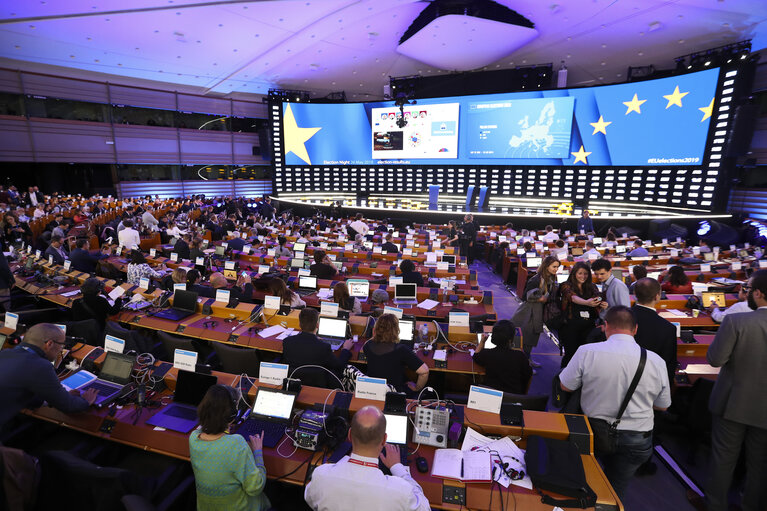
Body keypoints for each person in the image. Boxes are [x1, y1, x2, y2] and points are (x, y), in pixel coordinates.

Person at [560, 306, 671, 499]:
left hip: (593, 431)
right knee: (615, 489)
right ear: (635, 329)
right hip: (637, 438)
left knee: (581, 479)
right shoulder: (656, 361)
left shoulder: (587, 351)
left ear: (605, 326)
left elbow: (566, 386)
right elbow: (662, 406)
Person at [705, 270, 767, 511]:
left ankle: (715, 506)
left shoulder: (737, 321)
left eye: (750, 290)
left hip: (732, 403)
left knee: (723, 459)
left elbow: (715, 360)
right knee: (759, 465)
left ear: (759, 293)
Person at [305, 405, 430, 511]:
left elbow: (310, 498)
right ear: (384, 439)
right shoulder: (401, 491)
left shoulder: (321, 475)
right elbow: (425, 508)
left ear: (349, 435)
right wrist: (397, 467)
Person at [0, 323, 98, 432]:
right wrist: (86, 401)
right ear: (49, 344)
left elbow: (23, 394)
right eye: (61, 345)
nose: (61, 349)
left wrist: (53, 399)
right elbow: (69, 406)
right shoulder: (40, 365)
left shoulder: (4, 353)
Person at [189, 385, 270, 511]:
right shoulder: (237, 444)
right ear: (232, 414)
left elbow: (206, 430)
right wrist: (258, 453)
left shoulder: (193, 438)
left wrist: (225, 430)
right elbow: (255, 487)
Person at [282, 308, 353, 388]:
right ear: (317, 325)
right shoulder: (324, 347)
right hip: (320, 386)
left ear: (299, 324)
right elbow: (339, 366)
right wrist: (345, 349)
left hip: (295, 384)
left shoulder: (287, 342)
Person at [362, 314, 428, 394]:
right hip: (395, 393)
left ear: (376, 329)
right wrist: (417, 388)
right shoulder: (401, 349)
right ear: (396, 330)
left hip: (373, 390)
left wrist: (377, 333)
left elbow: (372, 339)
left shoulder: (367, 345)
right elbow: (424, 372)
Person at [514, 255, 560, 365]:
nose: (556, 269)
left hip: (539, 311)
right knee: (526, 337)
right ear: (546, 266)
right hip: (529, 311)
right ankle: (523, 362)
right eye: (554, 266)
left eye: (557, 267)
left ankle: (527, 359)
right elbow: (524, 296)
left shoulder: (551, 278)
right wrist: (541, 298)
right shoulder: (536, 279)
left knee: (532, 337)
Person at [631, 278, 677, 384]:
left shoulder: (620, 319)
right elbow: (668, 366)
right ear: (657, 296)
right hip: (650, 383)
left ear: (634, 294)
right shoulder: (668, 328)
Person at [557, 262, 602, 367]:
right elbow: (571, 297)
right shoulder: (566, 285)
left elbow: (598, 296)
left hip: (588, 326)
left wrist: (600, 301)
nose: (583, 276)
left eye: (586, 274)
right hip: (570, 326)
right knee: (571, 354)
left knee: (585, 355)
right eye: (580, 273)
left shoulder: (592, 286)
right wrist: (587, 302)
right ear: (574, 274)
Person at [473, 320, 532, 394]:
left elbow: (476, 356)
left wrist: (482, 341)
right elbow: (528, 376)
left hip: (491, 396)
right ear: (510, 340)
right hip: (514, 399)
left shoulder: (488, 354)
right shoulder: (520, 356)